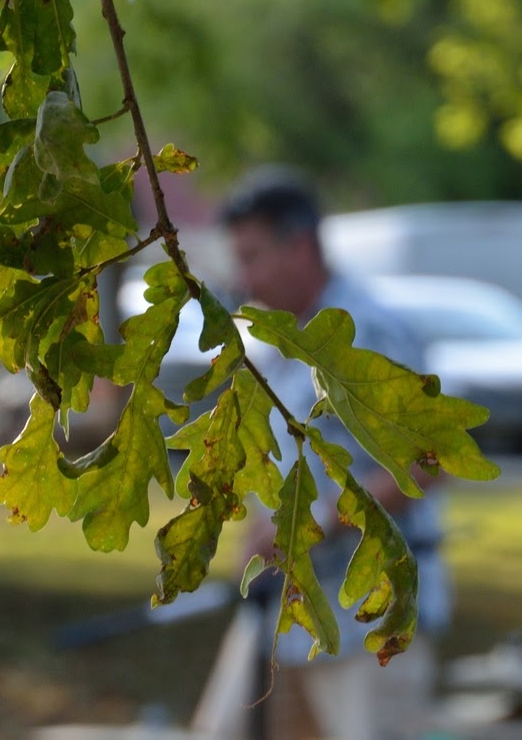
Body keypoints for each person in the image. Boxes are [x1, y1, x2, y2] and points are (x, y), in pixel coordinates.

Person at [219, 166, 448, 740]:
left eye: (252, 257)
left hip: (370, 621)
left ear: (300, 246)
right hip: (288, 617)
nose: (243, 277)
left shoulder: (368, 331)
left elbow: (428, 460)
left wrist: (316, 523)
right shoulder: (281, 342)